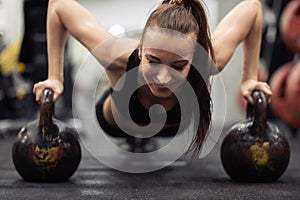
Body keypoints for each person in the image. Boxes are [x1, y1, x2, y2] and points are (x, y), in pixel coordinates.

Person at [33, 0, 272, 156]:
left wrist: (248, 78)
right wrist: (55, 77)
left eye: (179, 66)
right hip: (117, 124)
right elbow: (58, 6)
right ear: (140, 51)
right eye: (153, 61)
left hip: (171, 128)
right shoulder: (115, 55)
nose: (163, 77)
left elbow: (252, 8)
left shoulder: (208, 62)